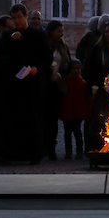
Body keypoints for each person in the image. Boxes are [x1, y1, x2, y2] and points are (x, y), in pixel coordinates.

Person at [0, 3, 52, 163]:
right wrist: (11, 40)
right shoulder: (10, 34)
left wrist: (36, 69)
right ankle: (16, 152)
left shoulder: (38, 35)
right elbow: (0, 50)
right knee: (16, 118)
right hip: (15, 84)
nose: (17, 20)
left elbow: (46, 58)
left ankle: (35, 153)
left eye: (19, 17)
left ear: (25, 16)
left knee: (34, 118)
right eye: (14, 18)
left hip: (33, 83)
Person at [82, 20, 109, 153]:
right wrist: (93, 86)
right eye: (107, 32)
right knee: (98, 118)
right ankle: (94, 147)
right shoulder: (97, 48)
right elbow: (89, 68)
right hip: (99, 88)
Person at [43, 20, 72, 160]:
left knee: (53, 119)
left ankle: (52, 148)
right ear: (51, 32)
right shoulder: (44, 45)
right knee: (44, 118)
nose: (61, 34)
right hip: (45, 85)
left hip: (58, 85)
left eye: (62, 31)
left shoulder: (63, 46)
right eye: (59, 31)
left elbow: (68, 64)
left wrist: (60, 74)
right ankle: (43, 146)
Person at [59, 59, 90, 159]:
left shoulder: (82, 83)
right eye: (74, 69)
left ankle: (78, 150)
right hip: (68, 111)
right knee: (68, 132)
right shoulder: (67, 82)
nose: (76, 71)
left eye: (78, 69)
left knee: (76, 132)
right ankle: (70, 150)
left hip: (77, 112)